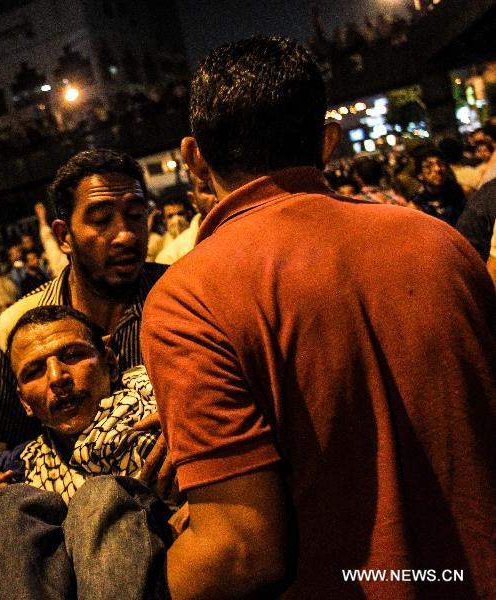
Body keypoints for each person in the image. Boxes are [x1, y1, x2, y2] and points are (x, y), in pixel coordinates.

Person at [141, 36, 496, 599]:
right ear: (327, 141)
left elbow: (241, 551)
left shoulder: (187, 298)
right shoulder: (442, 244)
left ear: (192, 158)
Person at [0, 306, 172, 600]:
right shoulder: (19, 464)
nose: (57, 377)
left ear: (110, 361)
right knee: (7, 506)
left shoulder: (166, 410)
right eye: (35, 371)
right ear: (24, 402)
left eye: (72, 355)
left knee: (101, 496)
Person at [0, 149, 166, 447]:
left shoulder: (184, 296)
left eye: (135, 215)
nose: (126, 235)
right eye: (102, 220)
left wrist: (191, 426)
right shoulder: (16, 326)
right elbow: (4, 450)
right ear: (64, 237)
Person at [411, 148, 466, 226]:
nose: (437, 169)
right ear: (420, 175)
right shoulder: (417, 205)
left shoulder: (458, 195)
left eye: (440, 164)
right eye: (428, 166)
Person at [147, 196, 193, 262]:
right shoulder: (159, 244)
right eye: (170, 216)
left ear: (188, 214)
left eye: (180, 214)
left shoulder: (197, 234)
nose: (176, 219)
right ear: (164, 220)